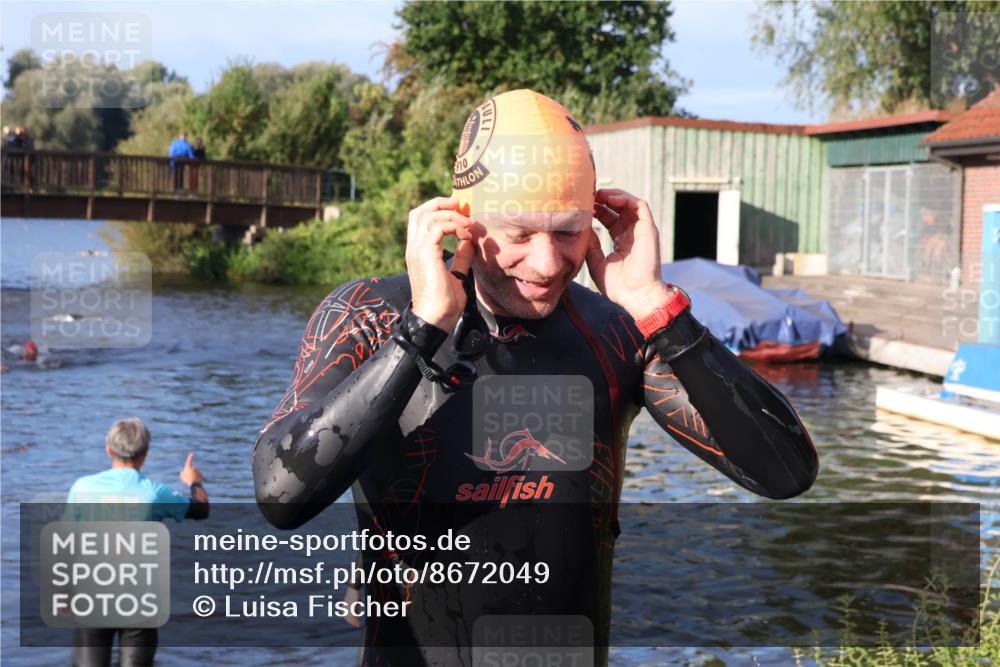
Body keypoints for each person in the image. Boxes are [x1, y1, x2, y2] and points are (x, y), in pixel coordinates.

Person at [252, 89, 817, 665]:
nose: (547, 264)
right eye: (519, 234)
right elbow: (281, 496)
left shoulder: (617, 332)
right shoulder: (373, 314)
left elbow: (785, 472)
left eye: (569, 231)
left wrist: (657, 307)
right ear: (461, 221)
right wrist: (420, 332)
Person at [65, 417, 210, 667]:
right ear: (145, 453)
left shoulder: (82, 488)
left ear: (109, 450)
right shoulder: (155, 493)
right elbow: (201, 510)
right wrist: (193, 481)